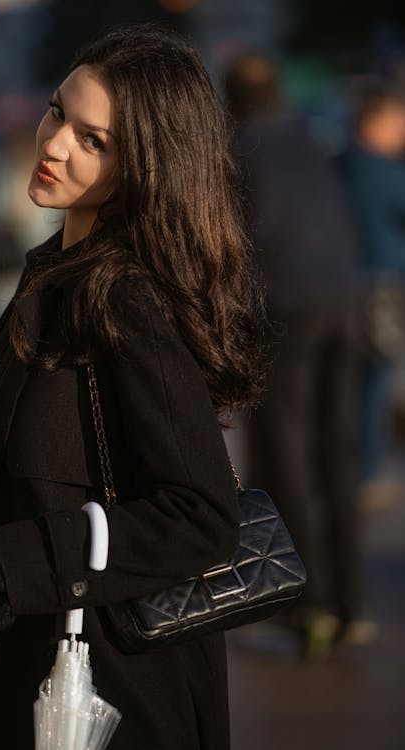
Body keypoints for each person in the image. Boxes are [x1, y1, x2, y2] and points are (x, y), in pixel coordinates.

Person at [0, 25, 267, 750]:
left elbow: (200, 513)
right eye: (58, 113)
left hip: (108, 697)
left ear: (149, 165)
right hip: (34, 670)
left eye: (94, 140)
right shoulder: (56, 272)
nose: (53, 144)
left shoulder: (122, 300)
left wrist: (9, 567)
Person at [224, 54, 367, 658]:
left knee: (289, 452)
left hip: (288, 305)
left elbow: (244, 240)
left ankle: (309, 604)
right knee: (336, 450)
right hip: (345, 300)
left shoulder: (241, 147)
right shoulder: (307, 134)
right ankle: (350, 604)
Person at [339, 84, 405, 503]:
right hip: (381, 284)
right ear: (378, 122)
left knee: (356, 378)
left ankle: (356, 464)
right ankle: (365, 469)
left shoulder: (341, 162)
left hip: (348, 283)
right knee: (376, 376)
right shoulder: (381, 170)